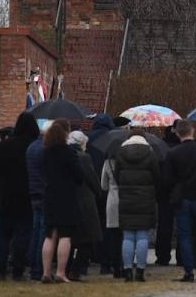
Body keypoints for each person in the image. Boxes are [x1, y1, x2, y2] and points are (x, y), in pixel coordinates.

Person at [164, 119, 196, 283]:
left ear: (177, 133)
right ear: (192, 131)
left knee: (185, 236)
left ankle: (188, 272)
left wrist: (174, 193)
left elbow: (166, 180)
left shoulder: (173, 153)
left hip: (182, 199)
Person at [0, 112, 39, 280]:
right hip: (26, 194)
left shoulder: (6, 145)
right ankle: (18, 270)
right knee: (23, 234)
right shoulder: (33, 145)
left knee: (4, 234)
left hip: (7, 194)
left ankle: (0, 269)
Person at [115, 128, 161, 282]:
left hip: (126, 198)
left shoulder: (120, 153)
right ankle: (140, 271)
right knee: (142, 235)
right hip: (145, 198)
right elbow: (157, 175)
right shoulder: (150, 152)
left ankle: (128, 271)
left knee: (127, 236)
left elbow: (117, 175)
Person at [41, 119, 83, 284]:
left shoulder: (45, 152)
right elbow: (78, 175)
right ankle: (60, 272)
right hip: (66, 197)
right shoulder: (69, 152)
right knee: (66, 235)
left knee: (50, 235)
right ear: (65, 134)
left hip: (50, 195)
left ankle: (45, 272)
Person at [68, 130, 103, 282]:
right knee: (88, 238)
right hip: (85, 200)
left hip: (68, 200)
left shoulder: (65, 155)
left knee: (68, 238)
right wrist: (99, 192)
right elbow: (91, 178)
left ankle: (67, 268)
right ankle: (76, 270)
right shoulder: (84, 157)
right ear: (82, 143)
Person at [84, 113, 115, 276]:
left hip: (89, 188)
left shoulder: (87, 139)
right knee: (107, 225)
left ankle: (86, 257)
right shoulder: (113, 138)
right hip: (108, 187)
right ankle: (105, 260)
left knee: (89, 224)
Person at [25, 119, 48, 281]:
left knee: (34, 230)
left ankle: (32, 263)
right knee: (43, 232)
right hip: (44, 193)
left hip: (33, 192)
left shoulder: (31, 147)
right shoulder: (44, 149)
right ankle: (38, 267)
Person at [155, 123, 180, 266]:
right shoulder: (183, 147)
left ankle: (162, 256)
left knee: (164, 225)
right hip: (181, 191)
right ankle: (182, 257)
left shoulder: (160, 146)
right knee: (183, 226)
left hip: (163, 191)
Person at [100, 145, 122, 278]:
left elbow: (103, 185)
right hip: (125, 199)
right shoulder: (126, 163)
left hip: (112, 200)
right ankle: (123, 264)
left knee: (112, 235)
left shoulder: (107, 163)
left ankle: (111, 264)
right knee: (125, 236)